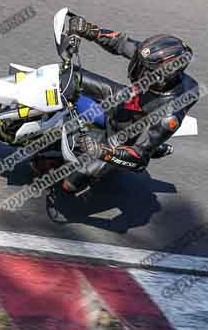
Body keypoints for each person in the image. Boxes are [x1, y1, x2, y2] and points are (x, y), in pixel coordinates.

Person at [48, 14, 200, 196]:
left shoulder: (169, 116)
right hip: (124, 99)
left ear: (162, 78)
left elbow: (139, 160)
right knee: (64, 76)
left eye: (143, 68)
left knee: (69, 185)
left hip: (122, 137)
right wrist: (89, 30)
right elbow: (121, 43)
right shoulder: (152, 61)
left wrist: (101, 150)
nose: (136, 67)